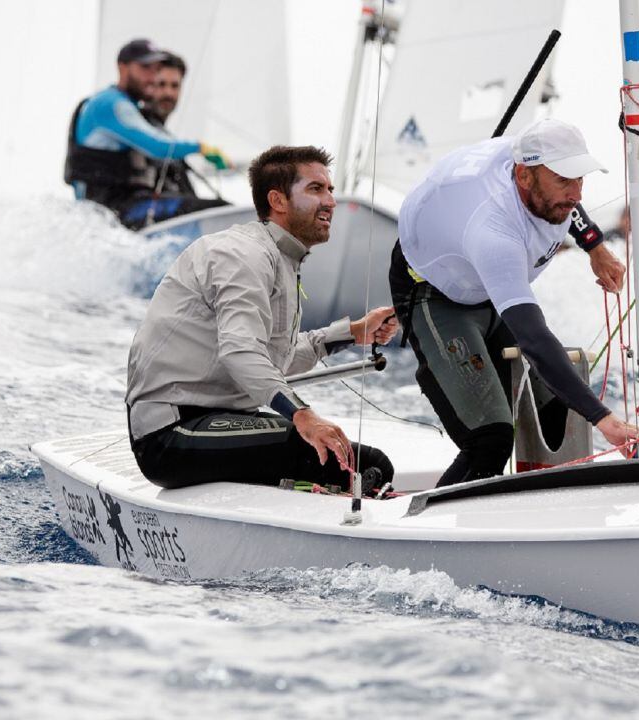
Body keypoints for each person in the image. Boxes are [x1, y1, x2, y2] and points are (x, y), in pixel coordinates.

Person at [126, 145, 398, 492]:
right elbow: (241, 353)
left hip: (219, 420)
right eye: (316, 189)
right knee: (348, 460)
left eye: (329, 190)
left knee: (362, 461)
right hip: (171, 433)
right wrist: (303, 415)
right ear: (278, 200)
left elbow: (274, 361)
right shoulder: (244, 254)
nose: (330, 201)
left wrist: (353, 333)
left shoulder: (280, 257)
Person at [390, 118, 639, 488]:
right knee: (490, 440)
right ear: (523, 177)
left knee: (554, 413)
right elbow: (534, 339)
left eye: (580, 179)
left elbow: (568, 202)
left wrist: (595, 247)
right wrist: (604, 419)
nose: (576, 194)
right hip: (432, 292)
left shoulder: (537, 173)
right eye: (563, 180)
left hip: (482, 284)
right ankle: (424, 529)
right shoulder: (494, 232)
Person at [64, 38, 229, 230]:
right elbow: (159, 147)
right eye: (145, 68)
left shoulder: (125, 106)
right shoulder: (111, 104)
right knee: (219, 210)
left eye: (155, 69)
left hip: (118, 212)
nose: (152, 77)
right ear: (123, 68)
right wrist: (201, 147)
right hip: (114, 212)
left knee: (207, 207)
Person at [140, 53, 206, 200]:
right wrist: (201, 148)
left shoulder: (164, 135)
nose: (168, 93)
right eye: (161, 84)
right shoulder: (137, 127)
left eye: (174, 86)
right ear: (149, 86)